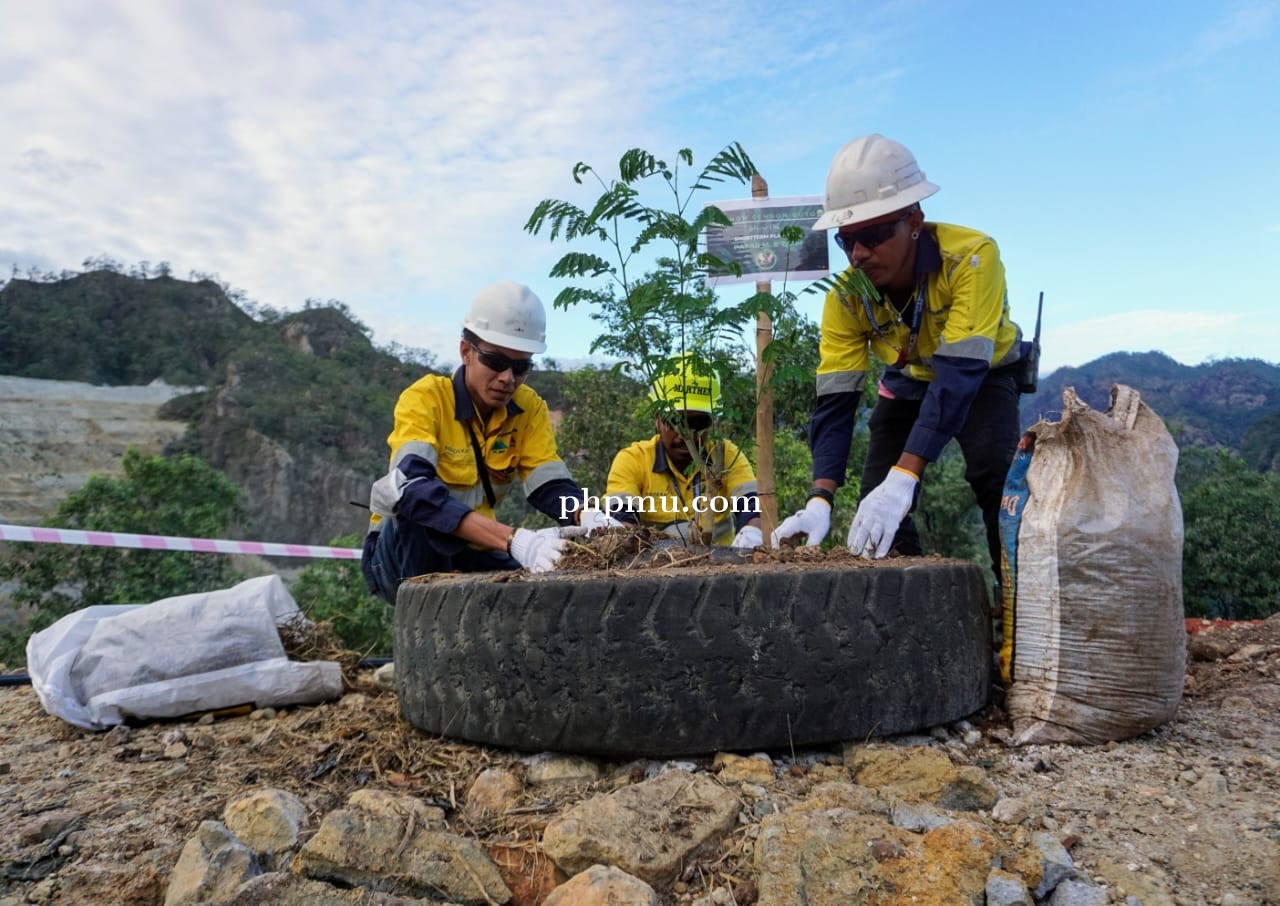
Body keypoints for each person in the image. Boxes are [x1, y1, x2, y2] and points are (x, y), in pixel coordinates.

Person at [773, 133, 1027, 575]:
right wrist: (820, 497)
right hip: (909, 379)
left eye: (873, 235)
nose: (858, 254)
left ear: (914, 220)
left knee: (995, 481)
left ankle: (1016, 607)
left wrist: (906, 475)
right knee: (878, 502)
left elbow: (958, 377)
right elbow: (835, 405)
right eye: (846, 241)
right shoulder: (845, 299)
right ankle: (907, 605)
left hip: (979, 376)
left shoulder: (971, 259)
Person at [361, 280, 619, 604]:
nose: (508, 378)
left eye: (521, 367)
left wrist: (587, 515)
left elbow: (549, 483)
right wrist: (514, 540)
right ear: (466, 351)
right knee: (420, 511)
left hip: (474, 548)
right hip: (398, 554)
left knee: (550, 573)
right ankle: (426, 624)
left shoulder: (529, 407)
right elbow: (411, 488)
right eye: (496, 362)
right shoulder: (426, 398)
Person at [603, 359, 763, 548]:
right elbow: (622, 518)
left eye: (697, 424)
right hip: (655, 569)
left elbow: (752, 507)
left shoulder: (726, 455)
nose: (685, 434)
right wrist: (624, 540)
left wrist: (753, 532)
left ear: (712, 423)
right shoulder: (634, 460)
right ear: (657, 420)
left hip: (721, 567)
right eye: (675, 421)